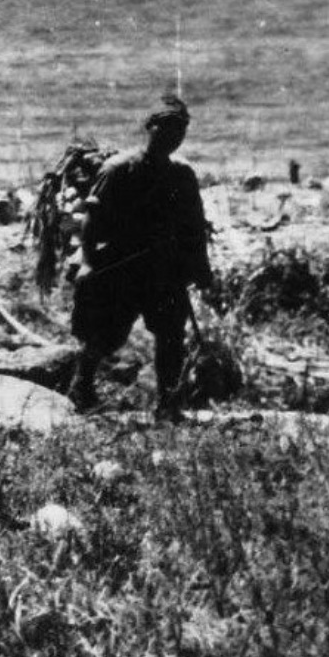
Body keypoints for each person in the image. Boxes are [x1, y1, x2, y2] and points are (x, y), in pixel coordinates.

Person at [67, 95, 215, 422]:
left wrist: (201, 270)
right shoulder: (118, 168)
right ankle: (82, 388)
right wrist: (89, 262)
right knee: (105, 335)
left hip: (165, 269)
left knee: (171, 336)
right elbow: (92, 218)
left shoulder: (183, 174)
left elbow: (194, 226)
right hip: (122, 266)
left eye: (181, 129)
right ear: (150, 127)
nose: (174, 135)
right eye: (167, 127)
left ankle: (168, 403)